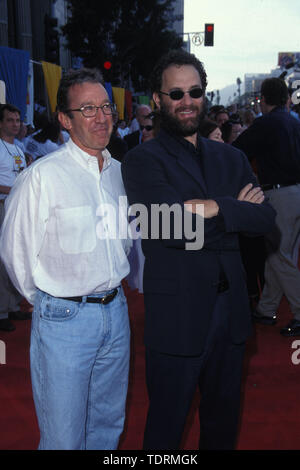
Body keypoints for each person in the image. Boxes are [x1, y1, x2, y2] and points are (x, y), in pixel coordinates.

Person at [121, 49, 276, 450]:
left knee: (222, 426)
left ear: (204, 94)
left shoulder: (233, 156)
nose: (186, 101)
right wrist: (237, 213)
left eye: (194, 92)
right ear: (157, 99)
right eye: (175, 94)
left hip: (232, 315)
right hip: (177, 317)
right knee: (165, 430)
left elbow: (265, 222)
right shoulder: (141, 160)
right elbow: (166, 226)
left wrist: (214, 208)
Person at [0, 68, 131, 449]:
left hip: (117, 313)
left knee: (107, 426)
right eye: (87, 108)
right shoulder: (42, 176)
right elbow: (15, 253)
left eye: (105, 106)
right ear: (64, 119)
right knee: (63, 437)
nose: (101, 116)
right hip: (64, 321)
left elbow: (124, 242)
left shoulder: (121, 174)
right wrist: (52, 303)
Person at [234, 77, 300, 337]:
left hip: (280, 195)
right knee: (279, 254)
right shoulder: (295, 122)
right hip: (295, 193)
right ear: (285, 98)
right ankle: (267, 307)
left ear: (263, 99)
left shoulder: (267, 124)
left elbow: (237, 151)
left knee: (278, 256)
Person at [0, 104, 28, 332]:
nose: (15, 124)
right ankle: (1, 311)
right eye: (10, 120)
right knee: (2, 260)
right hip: (2, 206)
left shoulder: (19, 148)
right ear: (0, 123)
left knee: (15, 256)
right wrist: (14, 191)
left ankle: (13, 305)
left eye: (17, 120)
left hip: (17, 208)